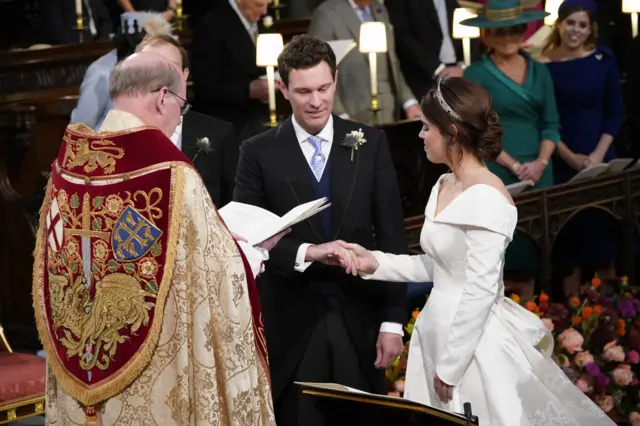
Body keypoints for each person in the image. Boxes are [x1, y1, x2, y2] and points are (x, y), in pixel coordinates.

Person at [330, 76, 615, 426]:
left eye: (425, 127)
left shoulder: (487, 197)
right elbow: (442, 268)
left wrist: (451, 366)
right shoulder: (444, 183)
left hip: (471, 346)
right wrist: (374, 262)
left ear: (451, 132)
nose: (419, 136)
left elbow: (479, 288)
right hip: (438, 331)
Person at [33, 51, 278, 425]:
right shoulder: (171, 175)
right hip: (155, 371)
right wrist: (251, 252)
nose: (180, 116)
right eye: (181, 104)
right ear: (163, 98)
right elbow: (214, 274)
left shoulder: (67, 169)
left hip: (79, 357)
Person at [233, 35, 408, 426]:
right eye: (304, 91)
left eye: (324, 88)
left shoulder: (371, 143)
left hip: (360, 317)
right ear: (283, 89)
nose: (316, 101)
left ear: (336, 79)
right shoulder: (257, 152)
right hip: (291, 321)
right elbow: (248, 241)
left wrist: (393, 322)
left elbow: (393, 238)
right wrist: (309, 252)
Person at [461, 0, 560, 298]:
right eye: (500, 31)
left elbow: (552, 124)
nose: (509, 37)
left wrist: (541, 162)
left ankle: (543, 323)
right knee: (503, 255)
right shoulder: (474, 75)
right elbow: (476, 132)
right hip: (496, 173)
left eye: (515, 30)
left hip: (541, 173)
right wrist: (515, 167)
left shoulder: (541, 71)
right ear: (487, 35)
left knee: (539, 255)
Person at [539, 0, 624, 295]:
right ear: (559, 24)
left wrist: (598, 156)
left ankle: (614, 323)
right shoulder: (544, 66)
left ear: (591, 29)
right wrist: (569, 156)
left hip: (602, 161)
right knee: (570, 249)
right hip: (563, 162)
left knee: (604, 243)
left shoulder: (604, 58)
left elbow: (615, 113)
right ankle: (570, 325)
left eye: (582, 24)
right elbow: (546, 120)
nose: (575, 30)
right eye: (570, 23)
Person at [136, 33, 240, 207]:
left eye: (171, 67)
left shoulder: (219, 134)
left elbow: (235, 205)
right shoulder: (118, 135)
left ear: (184, 75)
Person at [307, 0, 421, 124]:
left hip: (388, 110)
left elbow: (392, 63)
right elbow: (317, 72)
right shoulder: (327, 14)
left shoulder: (379, 9)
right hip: (352, 111)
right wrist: (340, 115)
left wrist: (409, 102)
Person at [190, 0, 271, 139]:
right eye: (259, 5)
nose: (264, 11)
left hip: (257, 120)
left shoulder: (258, 20)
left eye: (267, 5)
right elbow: (204, 86)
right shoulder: (211, 25)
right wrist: (248, 90)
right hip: (228, 126)